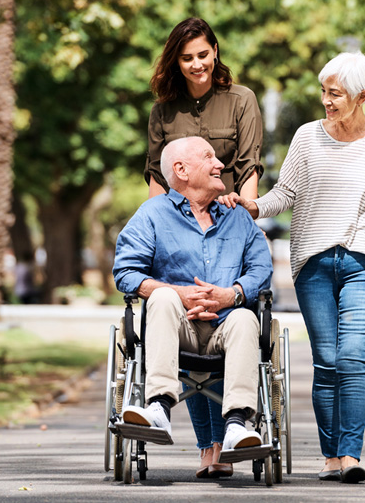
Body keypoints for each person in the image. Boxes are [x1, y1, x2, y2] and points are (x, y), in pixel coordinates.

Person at [220, 52, 365, 484]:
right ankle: (330, 457)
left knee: (351, 357)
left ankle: (350, 454)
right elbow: (285, 192)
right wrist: (253, 205)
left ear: (361, 96)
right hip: (313, 263)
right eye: (324, 91)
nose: (326, 100)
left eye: (335, 94)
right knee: (326, 360)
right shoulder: (307, 138)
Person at [144, 16, 265, 478]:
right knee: (182, 301)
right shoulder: (163, 110)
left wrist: (246, 217)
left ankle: (229, 432)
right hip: (181, 222)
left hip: (229, 221)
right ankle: (208, 444)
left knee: (226, 315)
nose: (197, 64)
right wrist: (160, 230)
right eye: (187, 57)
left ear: (216, 51)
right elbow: (159, 178)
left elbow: (250, 165)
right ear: (176, 60)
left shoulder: (241, 101)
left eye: (204, 54)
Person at [114, 136, 273, 475]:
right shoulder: (152, 214)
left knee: (246, 318)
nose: (220, 165)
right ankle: (158, 408)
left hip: (226, 327)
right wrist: (177, 293)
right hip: (178, 328)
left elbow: (262, 269)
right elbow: (125, 271)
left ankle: (235, 426)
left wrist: (232, 294)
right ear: (181, 170)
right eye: (209, 157)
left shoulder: (237, 216)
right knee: (163, 296)